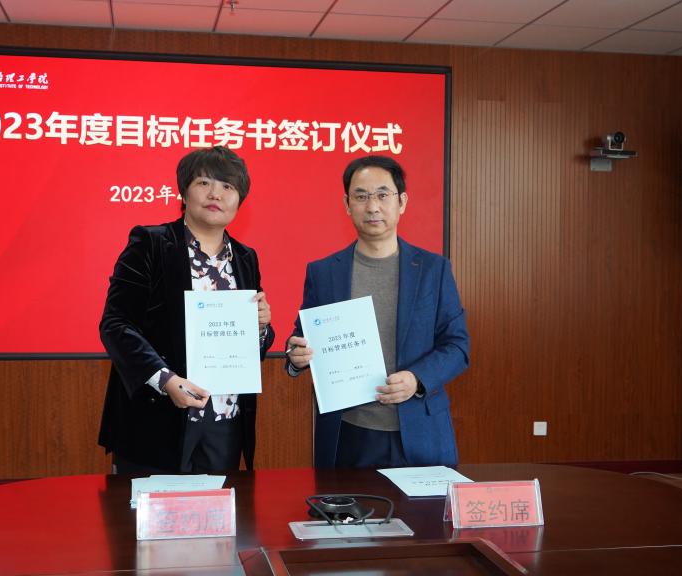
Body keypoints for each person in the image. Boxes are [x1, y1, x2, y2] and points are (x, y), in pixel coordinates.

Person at [285, 155, 469, 469]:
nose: (372, 207)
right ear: (347, 205)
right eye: (361, 196)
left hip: (419, 431)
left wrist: (417, 379)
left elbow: (457, 346)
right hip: (349, 434)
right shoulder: (324, 272)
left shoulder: (433, 270)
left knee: (423, 505)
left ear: (402, 202)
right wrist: (295, 356)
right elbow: (302, 338)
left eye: (383, 195)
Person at [98, 146, 274, 474]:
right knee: (145, 508)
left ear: (240, 200)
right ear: (184, 191)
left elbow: (252, 347)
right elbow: (116, 323)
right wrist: (165, 380)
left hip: (224, 421)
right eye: (204, 183)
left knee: (219, 508)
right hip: (157, 418)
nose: (215, 194)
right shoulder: (150, 243)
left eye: (227, 186)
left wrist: (261, 327)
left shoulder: (245, 257)